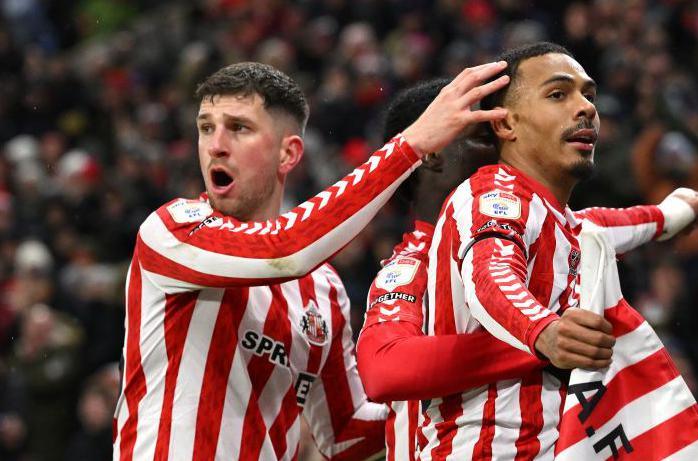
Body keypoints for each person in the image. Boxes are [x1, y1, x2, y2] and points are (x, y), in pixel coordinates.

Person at [112, 60, 511, 461]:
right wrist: (412, 144)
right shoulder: (173, 232)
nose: (215, 144)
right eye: (205, 127)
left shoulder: (323, 289)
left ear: (289, 153)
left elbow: (346, 432)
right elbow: (280, 250)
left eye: (239, 128)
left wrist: (459, 379)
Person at [419, 42, 698, 460]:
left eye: (589, 95)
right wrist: (547, 332)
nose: (585, 108)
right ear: (507, 125)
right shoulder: (493, 194)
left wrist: (676, 212)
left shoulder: (561, 221)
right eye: (558, 94)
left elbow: (611, 224)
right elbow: (490, 276)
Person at [356, 79, 547, 461]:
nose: (499, 147)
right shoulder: (414, 265)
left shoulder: (522, 236)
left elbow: (591, 225)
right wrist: (543, 342)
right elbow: (383, 372)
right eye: (481, 136)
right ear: (431, 155)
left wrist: (671, 214)